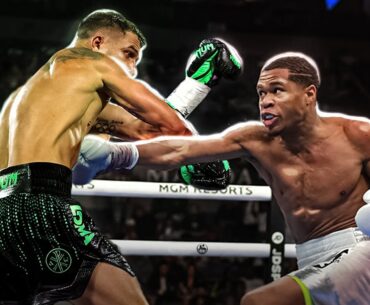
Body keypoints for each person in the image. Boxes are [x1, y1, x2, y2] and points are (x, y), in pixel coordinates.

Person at [0, 9, 242, 305]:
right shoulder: (89, 61)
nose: (132, 70)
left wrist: (199, 81)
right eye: (129, 54)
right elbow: (171, 125)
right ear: (98, 42)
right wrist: (203, 155)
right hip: (44, 205)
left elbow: (146, 130)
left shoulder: (32, 95)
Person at [124, 52, 370, 305]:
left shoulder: (357, 135)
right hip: (310, 257)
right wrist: (116, 154)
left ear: (309, 94)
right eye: (261, 93)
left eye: (277, 90)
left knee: (259, 302)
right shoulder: (255, 139)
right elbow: (180, 149)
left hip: (358, 250)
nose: (266, 101)